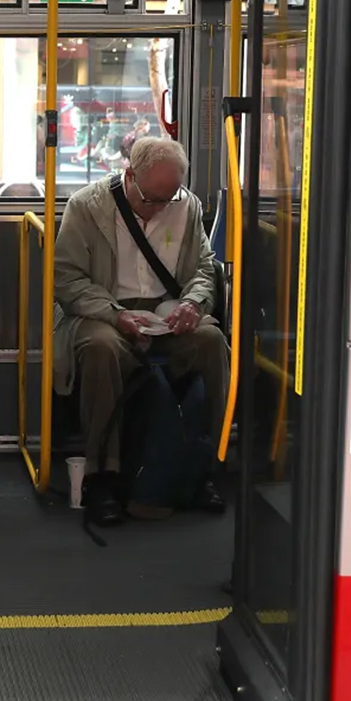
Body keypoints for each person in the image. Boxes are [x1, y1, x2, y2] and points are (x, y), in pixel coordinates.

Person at [52, 137, 229, 525]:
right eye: (151, 200)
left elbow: (203, 270)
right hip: (104, 309)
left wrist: (193, 304)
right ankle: (103, 475)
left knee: (211, 341)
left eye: (169, 198)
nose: (160, 208)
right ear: (130, 176)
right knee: (101, 350)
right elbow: (66, 279)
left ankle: (205, 465)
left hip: (166, 307)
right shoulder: (87, 207)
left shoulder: (187, 206)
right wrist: (115, 315)